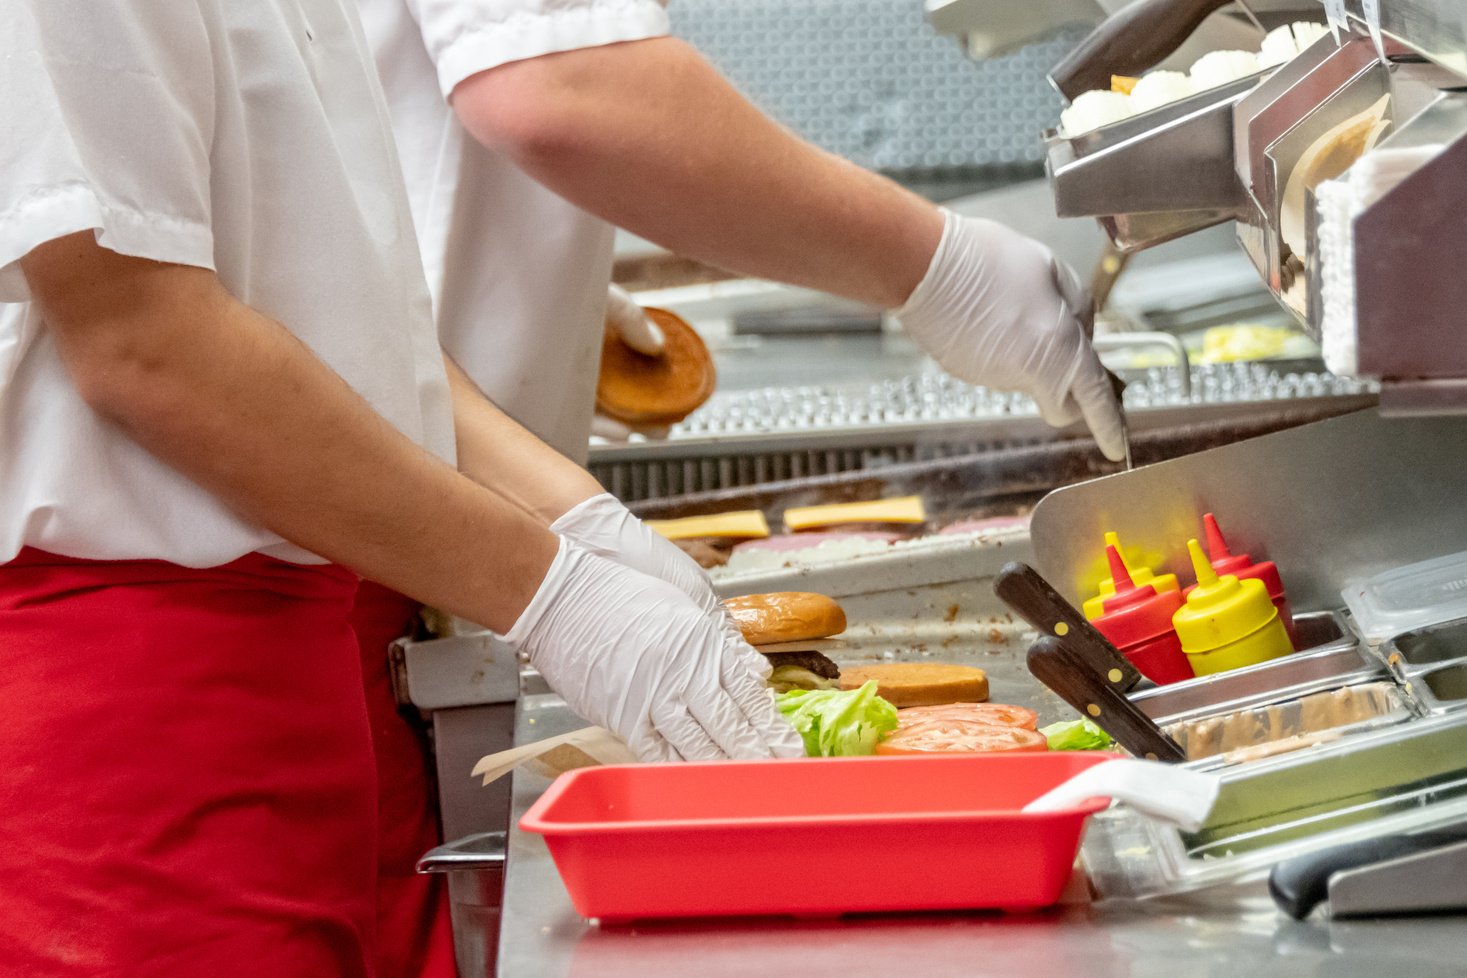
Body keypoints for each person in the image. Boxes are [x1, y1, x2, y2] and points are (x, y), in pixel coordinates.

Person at [0, 2, 803, 974]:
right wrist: (556, 592)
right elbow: (149, 345)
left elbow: (335, 336)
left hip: (293, 655)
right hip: (128, 701)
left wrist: (579, 520)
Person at [349, 4, 1128, 973]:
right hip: (350, 558)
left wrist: (531, 307)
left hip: (416, 519)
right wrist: (935, 265)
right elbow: (557, 90)